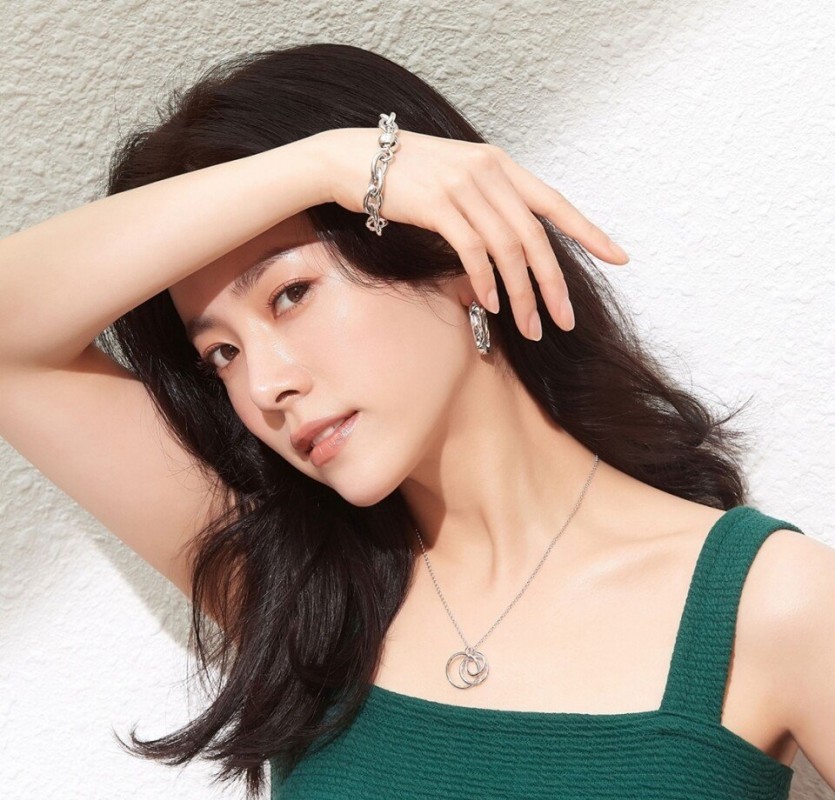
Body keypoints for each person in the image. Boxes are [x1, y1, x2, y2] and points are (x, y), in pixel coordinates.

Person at [0, 42, 832, 800]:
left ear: (456, 253)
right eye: (221, 353)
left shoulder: (772, 604)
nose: (264, 386)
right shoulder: (299, 597)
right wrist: (325, 164)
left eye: (290, 295)